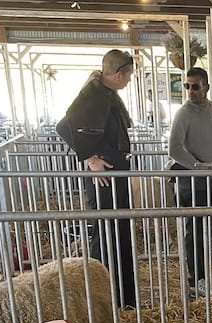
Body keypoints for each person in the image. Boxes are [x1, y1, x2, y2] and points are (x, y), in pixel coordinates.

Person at [62, 49, 136, 309]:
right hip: (104, 178)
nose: (129, 81)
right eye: (127, 76)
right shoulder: (93, 96)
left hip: (116, 173)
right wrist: (90, 158)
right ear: (117, 74)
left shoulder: (106, 95)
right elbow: (63, 126)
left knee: (119, 231)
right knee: (106, 235)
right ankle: (103, 299)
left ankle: (124, 299)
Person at [168, 66, 212, 296]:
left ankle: (203, 277)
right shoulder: (183, 114)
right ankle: (197, 280)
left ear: (207, 87)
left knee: (207, 229)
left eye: (195, 86)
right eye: (187, 86)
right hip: (192, 182)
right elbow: (174, 148)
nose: (190, 91)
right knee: (196, 231)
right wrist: (198, 166)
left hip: (210, 179)